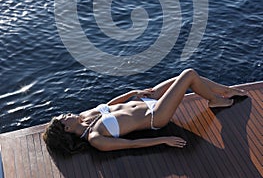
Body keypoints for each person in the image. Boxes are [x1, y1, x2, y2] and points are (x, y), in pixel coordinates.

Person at [43, 69, 247, 155]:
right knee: (188, 75)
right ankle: (216, 100)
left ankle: (224, 91)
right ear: (67, 128)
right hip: (156, 115)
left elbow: (109, 104)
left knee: (183, 76)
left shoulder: (85, 115)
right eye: (64, 117)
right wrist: (163, 139)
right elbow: (131, 144)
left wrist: (133, 92)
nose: (67, 113)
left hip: (146, 100)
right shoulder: (96, 138)